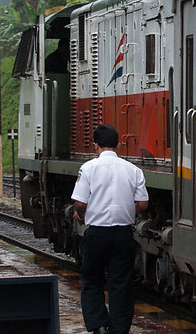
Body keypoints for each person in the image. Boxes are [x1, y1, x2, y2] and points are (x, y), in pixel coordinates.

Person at [71, 124, 149, 334]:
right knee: (121, 283)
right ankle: (119, 329)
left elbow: (80, 203)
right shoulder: (133, 170)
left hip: (97, 233)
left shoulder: (88, 168)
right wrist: (127, 211)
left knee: (91, 279)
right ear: (118, 145)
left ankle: (98, 325)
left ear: (95, 145)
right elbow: (143, 204)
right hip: (123, 234)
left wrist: (82, 215)